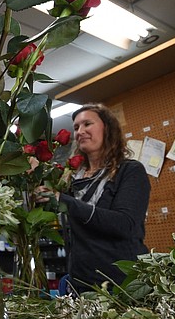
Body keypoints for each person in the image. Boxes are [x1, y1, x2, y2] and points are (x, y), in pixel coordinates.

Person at [56, 103, 150, 295]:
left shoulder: (130, 171)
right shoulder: (71, 179)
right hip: (81, 284)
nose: (80, 131)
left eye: (87, 124)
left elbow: (125, 224)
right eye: (76, 127)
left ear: (107, 128)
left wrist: (65, 202)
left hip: (121, 284)